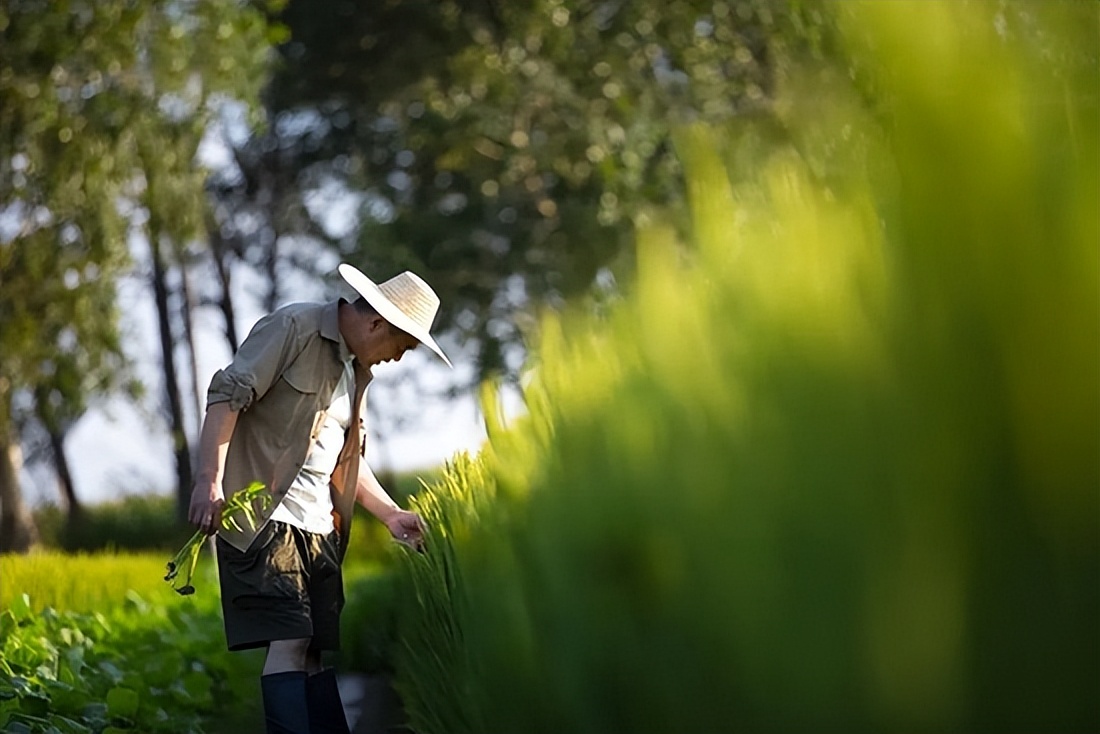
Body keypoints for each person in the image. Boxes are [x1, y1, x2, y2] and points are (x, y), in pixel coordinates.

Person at [188, 263, 452, 734]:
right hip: (267, 517)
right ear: (377, 324)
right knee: (291, 641)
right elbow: (227, 396)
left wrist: (390, 513)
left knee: (311, 651)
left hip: (320, 527)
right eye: (403, 346)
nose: (398, 358)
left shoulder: (355, 370)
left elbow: (343, 458)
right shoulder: (294, 327)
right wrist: (210, 480)